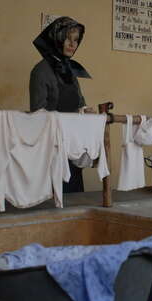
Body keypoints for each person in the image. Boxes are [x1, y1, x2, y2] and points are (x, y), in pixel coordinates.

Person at [29, 16, 94, 193]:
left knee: (74, 197)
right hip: (51, 148)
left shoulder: (69, 71)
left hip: (72, 147)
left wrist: (87, 112)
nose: (72, 44)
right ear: (56, 38)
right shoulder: (41, 71)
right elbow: (37, 113)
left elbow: (80, 102)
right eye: (67, 38)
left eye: (76, 40)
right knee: (53, 198)